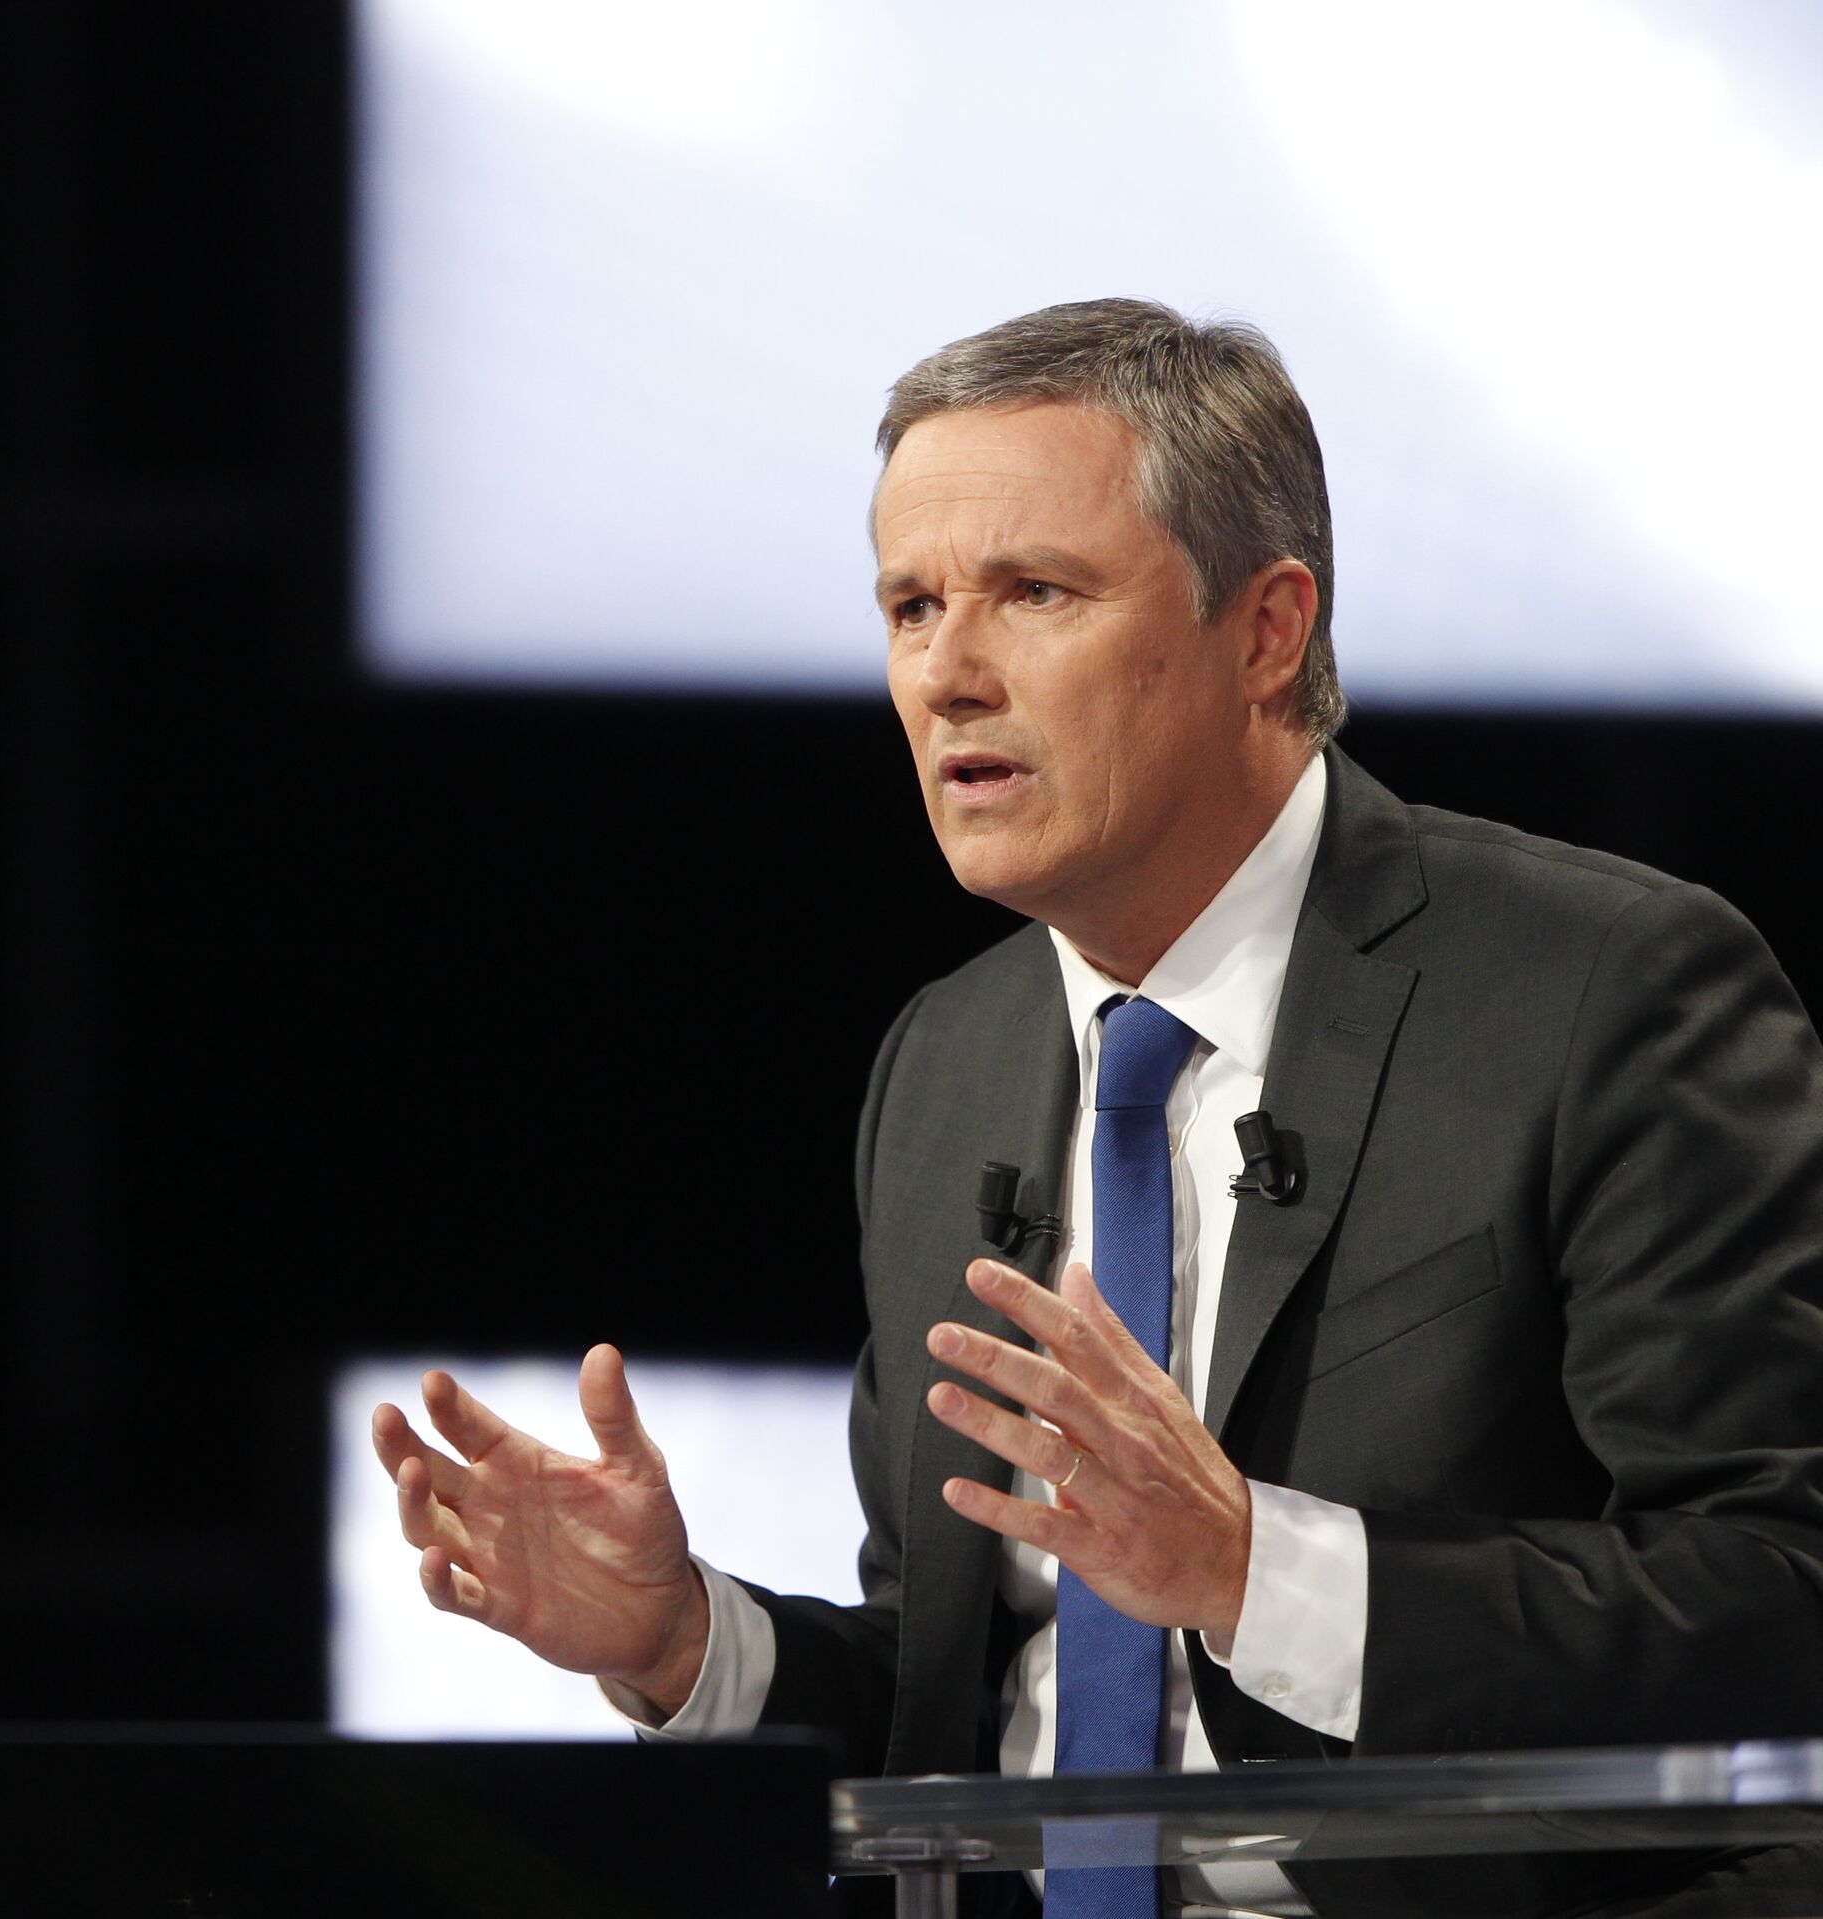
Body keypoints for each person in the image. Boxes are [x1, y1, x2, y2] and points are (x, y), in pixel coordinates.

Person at [373, 300, 1823, 1917]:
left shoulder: (1604, 992)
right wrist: (680, 1643)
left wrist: (1255, 1572)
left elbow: (1783, 1591)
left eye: (1034, 593)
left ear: (1267, 631)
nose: (947, 676)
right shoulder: (948, 1060)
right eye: (911, 607)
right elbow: (961, 1707)